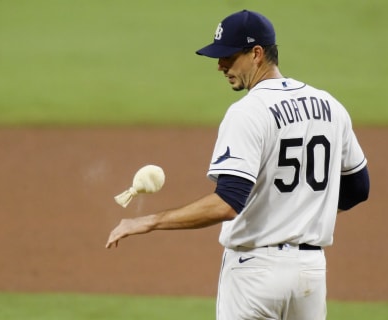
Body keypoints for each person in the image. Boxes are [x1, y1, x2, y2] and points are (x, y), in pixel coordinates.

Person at [106, 9, 369, 320]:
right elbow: (357, 188)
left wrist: (146, 222)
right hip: (310, 276)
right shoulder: (330, 106)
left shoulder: (248, 111)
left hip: (254, 275)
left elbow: (227, 203)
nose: (220, 66)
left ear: (256, 54)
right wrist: (300, 209)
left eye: (228, 56)